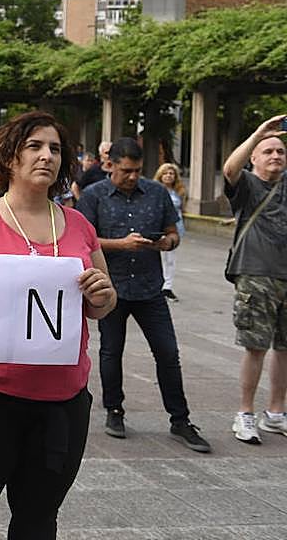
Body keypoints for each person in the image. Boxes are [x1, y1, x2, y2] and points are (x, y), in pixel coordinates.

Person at [0, 111, 116, 539]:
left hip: (62, 404)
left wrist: (102, 296)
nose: (46, 155)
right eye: (34, 146)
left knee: (38, 518)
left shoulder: (80, 226)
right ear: (9, 157)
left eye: (54, 148)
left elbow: (102, 303)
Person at [77, 137, 210, 452]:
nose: (133, 176)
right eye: (126, 171)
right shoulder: (95, 196)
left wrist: (168, 243)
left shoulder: (157, 193)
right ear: (111, 166)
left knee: (167, 352)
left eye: (137, 170)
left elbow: (174, 232)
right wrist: (121, 244)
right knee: (111, 351)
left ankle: (179, 419)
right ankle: (114, 409)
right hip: (114, 286)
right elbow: (84, 240)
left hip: (151, 286)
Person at [221, 114, 287, 444]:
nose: (276, 156)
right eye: (268, 151)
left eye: (281, 151)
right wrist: (259, 133)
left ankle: (276, 413)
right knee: (256, 347)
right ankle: (245, 413)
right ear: (254, 158)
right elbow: (229, 170)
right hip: (256, 274)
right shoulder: (247, 184)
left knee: (285, 348)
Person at [153, 162, 186, 301]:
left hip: (174, 228)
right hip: (158, 228)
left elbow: (182, 210)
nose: (168, 176)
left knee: (170, 259)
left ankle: (167, 287)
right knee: (156, 258)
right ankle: (157, 285)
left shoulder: (179, 192)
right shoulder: (154, 190)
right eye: (165, 173)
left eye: (171, 173)